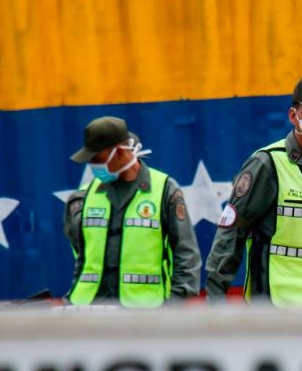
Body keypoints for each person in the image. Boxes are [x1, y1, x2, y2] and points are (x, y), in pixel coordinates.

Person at [205, 74, 302, 308]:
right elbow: (231, 235)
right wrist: (215, 303)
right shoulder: (267, 164)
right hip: (277, 310)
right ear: (293, 116)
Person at [63, 116, 201, 307]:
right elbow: (82, 256)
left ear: (119, 152)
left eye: (98, 159)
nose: (93, 166)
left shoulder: (164, 190)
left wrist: (174, 306)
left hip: (145, 314)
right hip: (90, 311)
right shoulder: (84, 196)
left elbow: (186, 256)